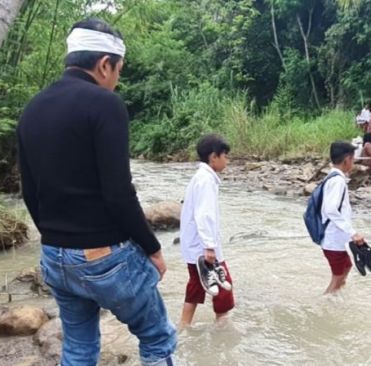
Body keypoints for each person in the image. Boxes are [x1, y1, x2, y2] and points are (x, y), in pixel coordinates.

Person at [17, 19, 176, 365]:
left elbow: (29, 191)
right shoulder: (105, 104)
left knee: (77, 347)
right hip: (104, 257)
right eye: (119, 70)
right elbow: (118, 192)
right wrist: (153, 248)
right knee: (157, 337)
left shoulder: (31, 110)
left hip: (55, 256)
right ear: (105, 64)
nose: (117, 80)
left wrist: (58, 240)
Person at [179, 134, 234, 328]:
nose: (227, 160)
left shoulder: (202, 178)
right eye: (225, 156)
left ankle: (184, 326)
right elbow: (204, 215)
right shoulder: (206, 180)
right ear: (213, 157)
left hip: (194, 244)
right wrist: (209, 247)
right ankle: (222, 325)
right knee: (223, 283)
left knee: (196, 284)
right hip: (202, 246)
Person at [321, 141, 366, 293]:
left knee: (346, 266)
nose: (353, 163)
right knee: (338, 276)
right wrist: (353, 233)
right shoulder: (338, 181)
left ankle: (335, 299)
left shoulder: (332, 177)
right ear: (347, 159)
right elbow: (331, 210)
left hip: (334, 238)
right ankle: (326, 303)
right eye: (353, 159)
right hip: (332, 239)